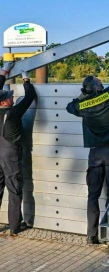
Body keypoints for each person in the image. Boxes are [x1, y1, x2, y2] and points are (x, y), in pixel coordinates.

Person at [66, 37, 109, 244]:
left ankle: (91, 235)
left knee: (92, 195)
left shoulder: (83, 106)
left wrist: (83, 94)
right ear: (99, 88)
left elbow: (70, 106)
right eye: (100, 84)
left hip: (95, 154)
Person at [0, 63, 36, 236]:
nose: (12, 98)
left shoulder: (7, 109)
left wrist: (3, 73)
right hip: (10, 155)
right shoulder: (13, 113)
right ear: (4, 102)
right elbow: (30, 96)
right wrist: (26, 80)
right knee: (14, 189)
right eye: (9, 97)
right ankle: (14, 226)